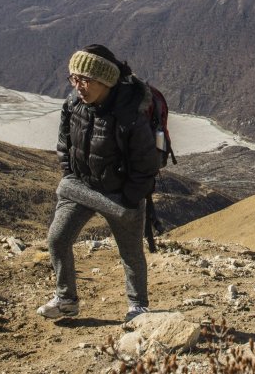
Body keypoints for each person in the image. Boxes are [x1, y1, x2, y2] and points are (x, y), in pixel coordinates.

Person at [37, 44, 158, 322]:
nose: (78, 85)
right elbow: (63, 145)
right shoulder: (73, 105)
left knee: (130, 253)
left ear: (105, 81)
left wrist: (128, 199)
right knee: (57, 238)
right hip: (80, 187)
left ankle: (138, 307)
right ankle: (66, 300)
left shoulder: (130, 116)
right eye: (74, 78)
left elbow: (145, 165)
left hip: (118, 194)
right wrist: (70, 175)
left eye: (85, 79)